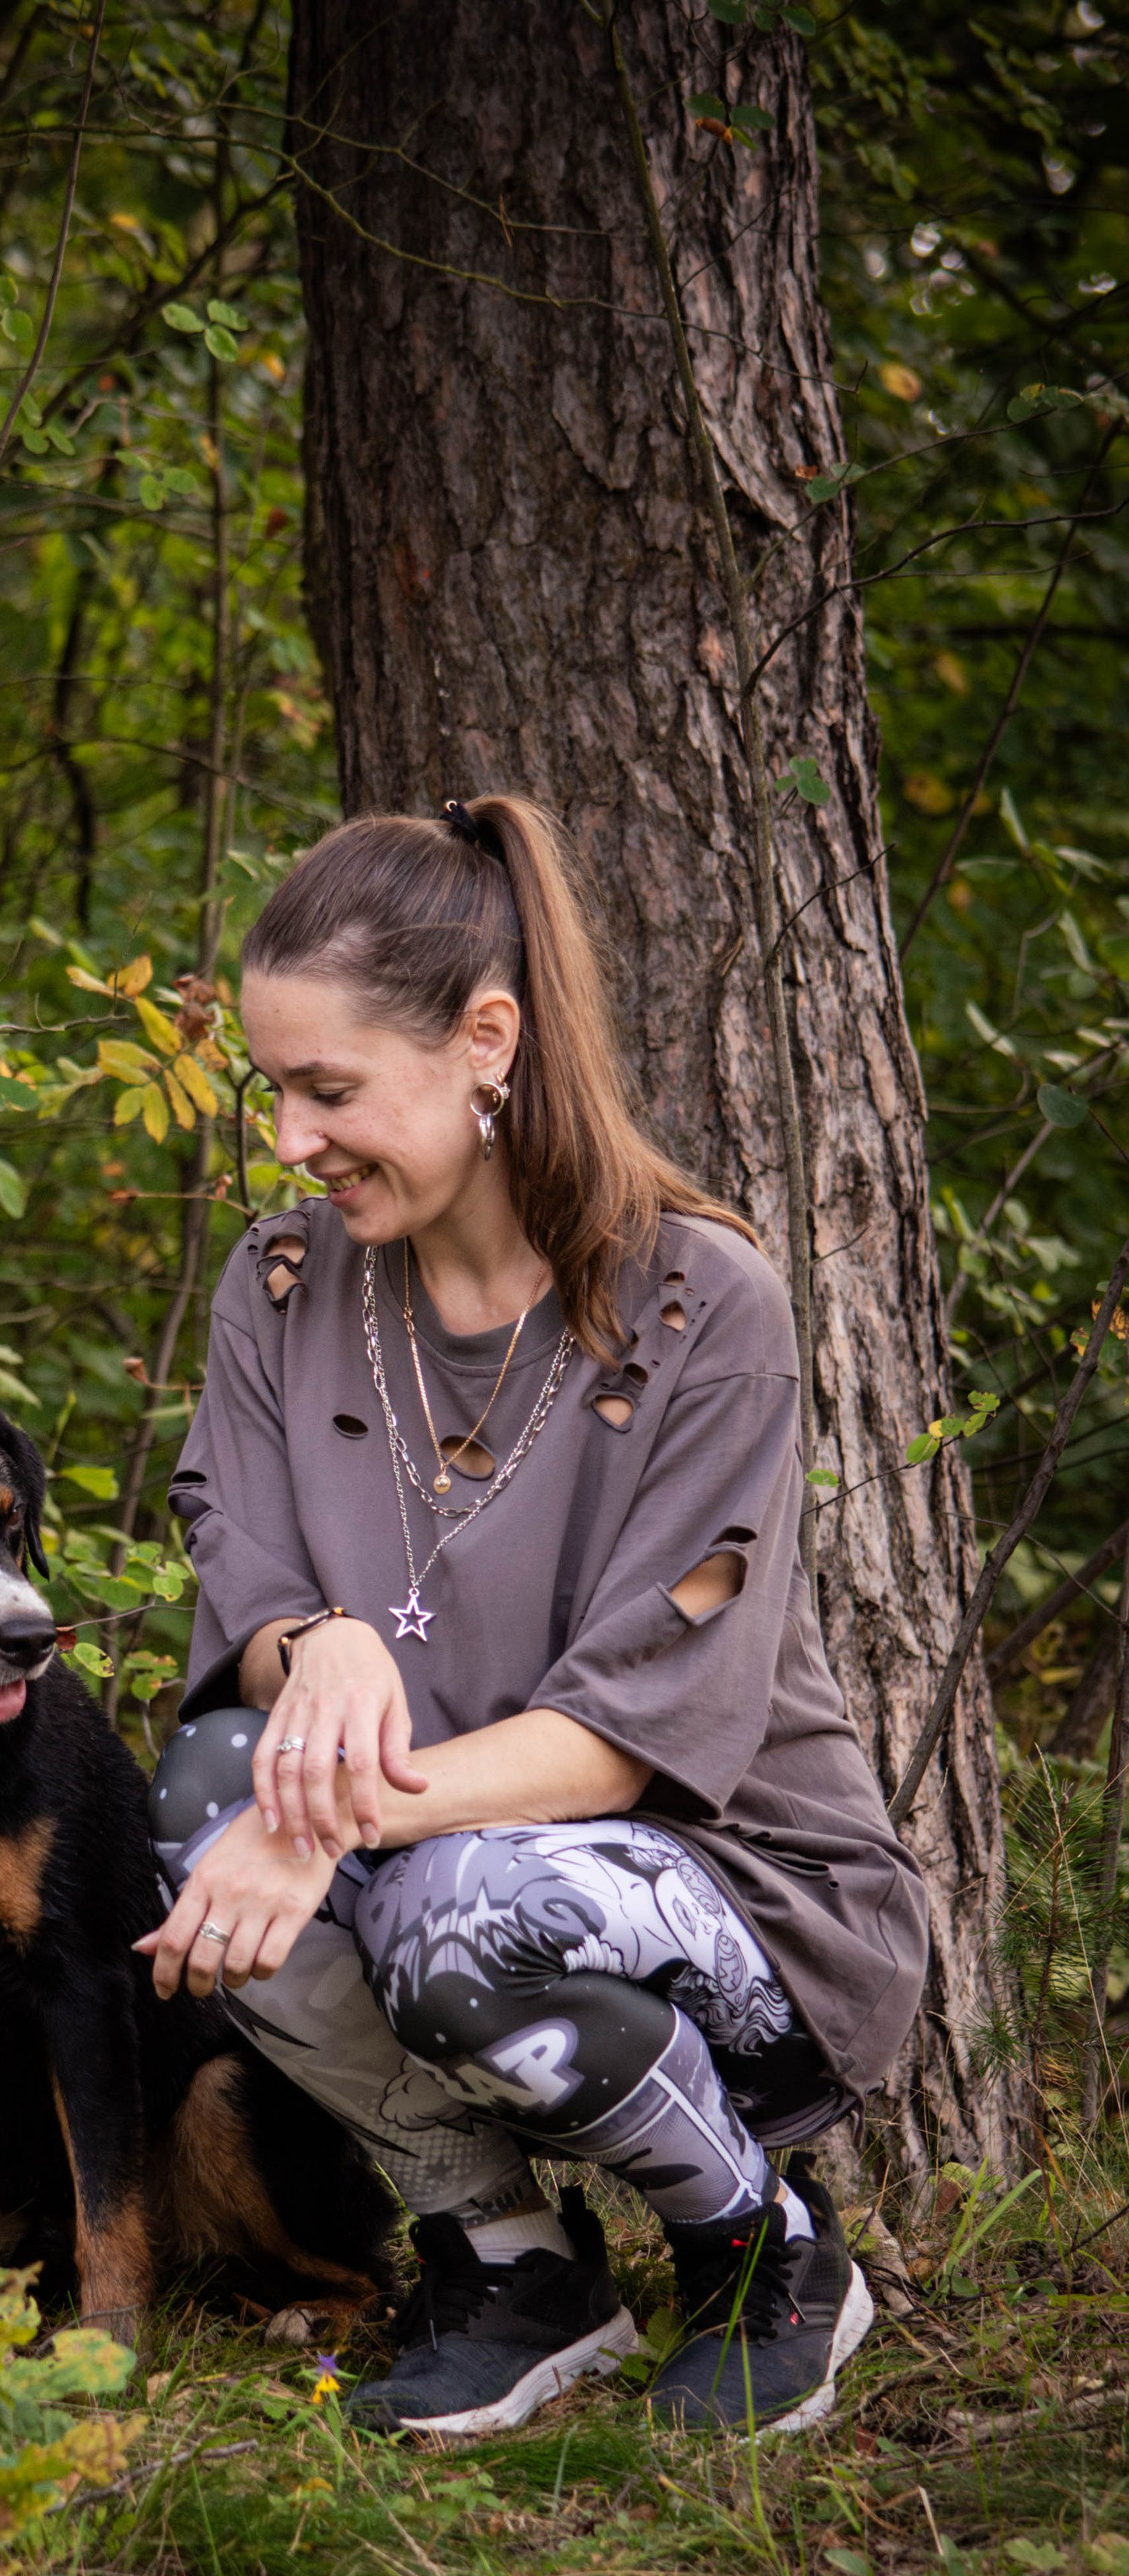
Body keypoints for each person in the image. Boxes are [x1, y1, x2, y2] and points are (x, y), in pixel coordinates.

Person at [135, 798, 927, 2440]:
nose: (287, 1137)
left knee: (442, 1903)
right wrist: (326, 1648)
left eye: (327, 1090)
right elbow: (254, 1600)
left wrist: (326, 1810)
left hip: (736, 1897)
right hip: (431, 1845)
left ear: (484, 1041)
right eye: (273, 1091)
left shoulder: (704, 1305)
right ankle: (511, 2268)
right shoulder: (277, 1289)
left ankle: (754, 2249)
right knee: (206, 1794)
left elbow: (626, 1734)